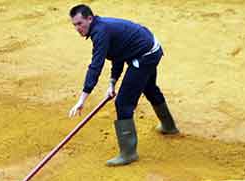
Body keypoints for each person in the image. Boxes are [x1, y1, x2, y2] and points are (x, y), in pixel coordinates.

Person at [68, 4, 179, 167]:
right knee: (149, 87)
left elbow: (96, 66)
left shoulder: (100, 33)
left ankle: (128, 153)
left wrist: (82, 99)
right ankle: (168, 126)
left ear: (89, 18)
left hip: (145, 55)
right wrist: (112, 83)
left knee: (123, 103)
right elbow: (118, 54)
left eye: (80, 23)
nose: (78, 28)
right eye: (74, 25)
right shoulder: (102, 28)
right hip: (149, 48)